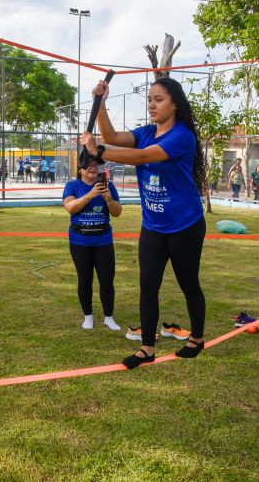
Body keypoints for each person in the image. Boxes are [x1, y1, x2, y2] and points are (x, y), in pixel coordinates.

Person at [81, 76, 208, 367]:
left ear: (174, 104)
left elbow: (141, 157)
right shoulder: (147, 131)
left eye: (158, 99)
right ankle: (147, 348)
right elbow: (112, 137)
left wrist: (96, 151)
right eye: (149, 99)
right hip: (153, 225)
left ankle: (197, 338)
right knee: (148, 284)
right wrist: (100, 102)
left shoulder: (182, 136)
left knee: (188, 283)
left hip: (185, 224)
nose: (152, 104)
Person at [62, 156, 122, 330]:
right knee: (85, 279)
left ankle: (109, 317)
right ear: (80, 169)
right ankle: (88, 316)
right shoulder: (72, 186)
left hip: (103, 241)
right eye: (89, 165)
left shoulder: (109, 187)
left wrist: (109, 199)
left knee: (107, 280)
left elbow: (117, 213)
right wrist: (90, 195)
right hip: (79, 241)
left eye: (96, 166)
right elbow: (70, 207)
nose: (93, 168)